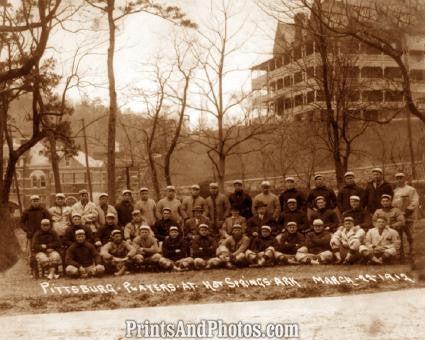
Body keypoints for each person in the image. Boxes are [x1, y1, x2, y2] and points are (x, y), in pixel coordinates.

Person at [392, 172, 419, 259]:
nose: (399, 180)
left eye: (401, 178)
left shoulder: (411, 189)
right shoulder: (395, 191)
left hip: (408, 216)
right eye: (397, 178)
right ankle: (400, 253)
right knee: (398, 235)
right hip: (399, 217)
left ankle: (411, 251)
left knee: (410, 235)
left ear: (404, 179)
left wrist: (407, 211)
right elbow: (393, 204)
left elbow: (415, 202)